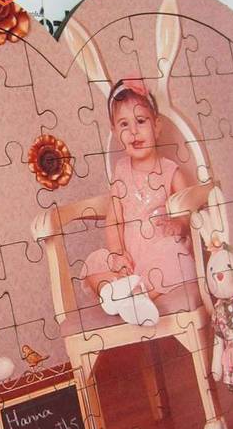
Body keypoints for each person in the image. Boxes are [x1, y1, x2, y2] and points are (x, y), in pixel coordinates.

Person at [84, 75, 200, 325]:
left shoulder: (171, 171)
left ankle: (139, 297)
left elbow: (188, 211)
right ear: (115, 132)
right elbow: (114, 220)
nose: (133, 131)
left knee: (175, 256)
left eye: (140, 121)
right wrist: (118, 254)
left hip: (159, 256)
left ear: (156, 126)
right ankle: (119, 293)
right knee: (94, 266)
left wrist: (179, 224)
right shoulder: (120, 172)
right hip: (130, 263)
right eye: (124, 125)